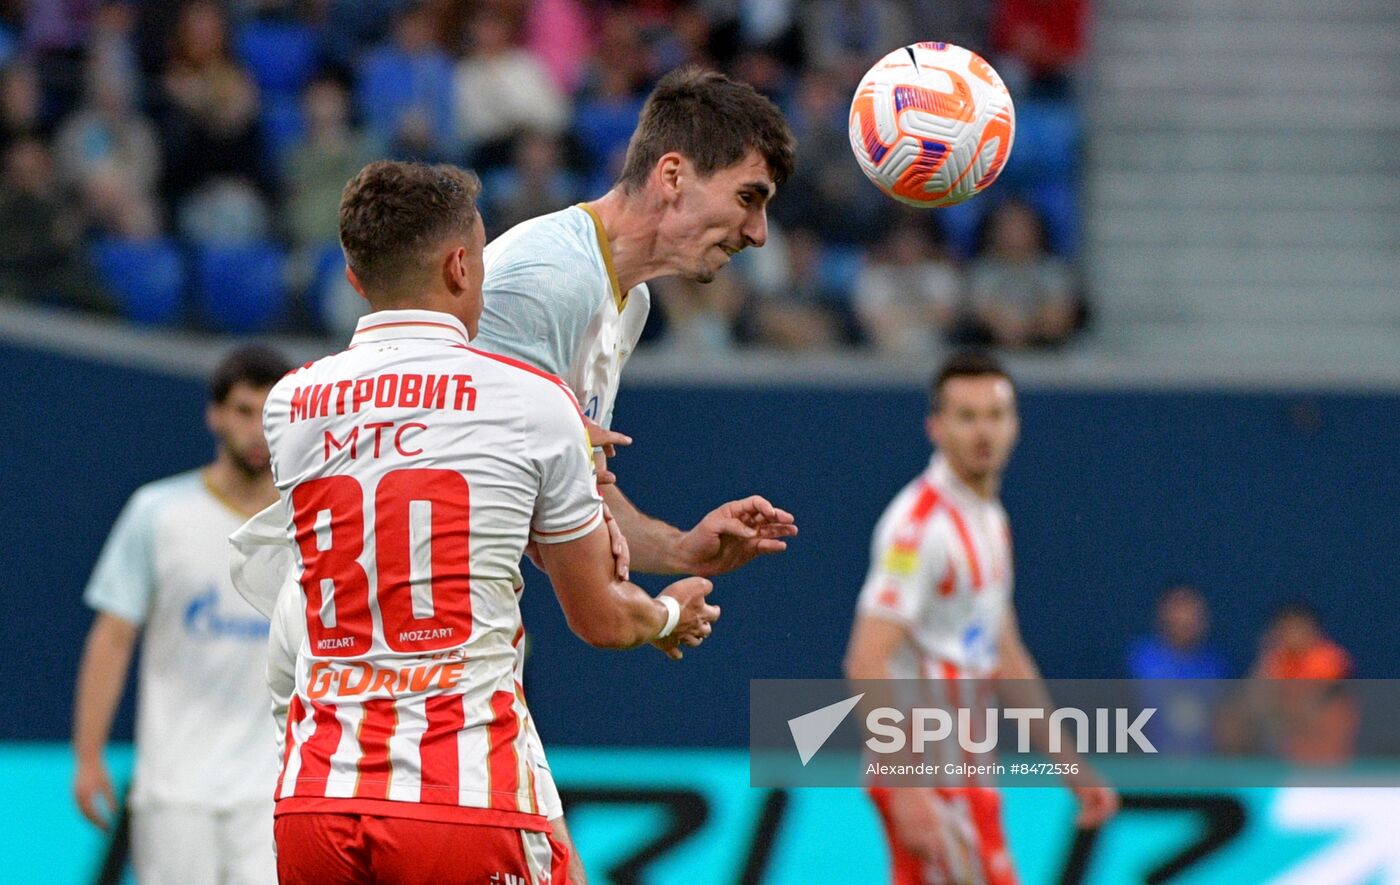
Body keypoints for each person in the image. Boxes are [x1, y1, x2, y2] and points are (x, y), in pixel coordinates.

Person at [264, 160, 719, 884]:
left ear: (355, 280)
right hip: (465, 793)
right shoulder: (534, 403)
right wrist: (667, 614)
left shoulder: (290, 405)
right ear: (459, 267)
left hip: (318, 797)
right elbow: (599, 617)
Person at [844, 351, 1119, 885]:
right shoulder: (920, 528)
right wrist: (906, 786)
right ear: (936, 427)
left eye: (995, 415)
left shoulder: (989, 517)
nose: (983, 432)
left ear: (1015, 424)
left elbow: (1003, 652)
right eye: (966, 417)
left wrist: (1069, 766)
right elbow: (866, 658)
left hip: (967, 766)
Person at [71, 344, 293, 885]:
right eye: (243, 411)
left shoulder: (307, 523)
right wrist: (88, 757)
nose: (256, 431)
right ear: (214, 414)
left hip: (276, 787)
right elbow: (113, 638)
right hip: (174, 790)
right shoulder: (158, 513)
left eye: (270, 415)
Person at [1126, 584, 1230, 754]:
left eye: (1192, 611)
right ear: (1162, 614)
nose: (1185, 618)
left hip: (1203, 766)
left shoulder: (1215, 666)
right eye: (1178, 608)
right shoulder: (1141, 659)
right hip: (1148, 764)